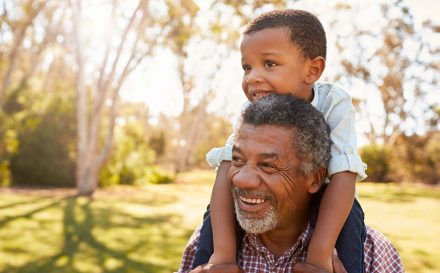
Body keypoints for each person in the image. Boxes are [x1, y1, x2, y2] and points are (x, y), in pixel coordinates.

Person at [193, 9, 368, 273]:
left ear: (312, 70)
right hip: (266, 204)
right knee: (215, 210)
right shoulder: (250, 112)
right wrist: (223, 254)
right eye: (247, 67)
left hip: (326, 194)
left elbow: (344, 174)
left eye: (270, 64)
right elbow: (227, 168)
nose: (252, 77)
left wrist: (319, 255)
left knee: (351, 213)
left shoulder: (333, 102)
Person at [178, 94, 403, 273]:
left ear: (314, 179)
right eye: (237, 160)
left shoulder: (371, 251)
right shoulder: (207, 244)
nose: (240, 179)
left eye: (267, 165)